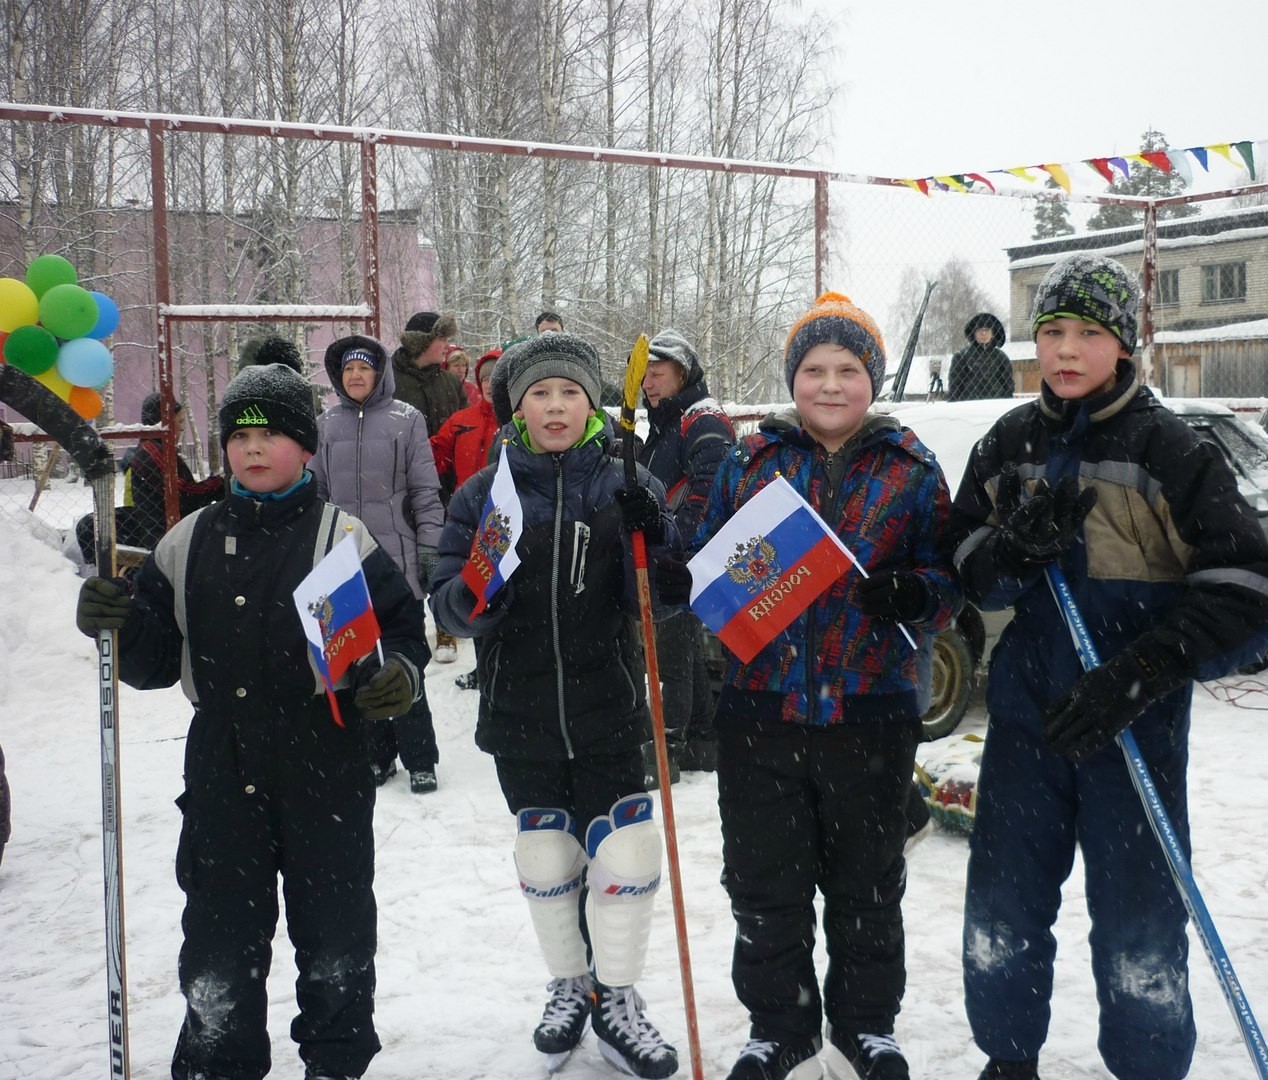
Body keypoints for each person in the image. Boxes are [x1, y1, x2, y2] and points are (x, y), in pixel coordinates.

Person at [952, 254, 1268, 1080]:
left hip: (1132, 717)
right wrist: (1011, 556)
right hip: (1028, 716)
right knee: (1004, 898)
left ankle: (1149, 1065)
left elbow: (1245, 585)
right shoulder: (1011, 440)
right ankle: (1007, 1057)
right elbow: (957, 552)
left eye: (1088, 333)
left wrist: (1146, 670)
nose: (1065, 349)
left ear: (1123, 344)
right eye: (1052, 330)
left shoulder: (1171, 448)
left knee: (1138, 917)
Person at [74, 361, 426, 1080]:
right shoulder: (188, 539)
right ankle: (217, 1061)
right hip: (222, 765)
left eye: (270, 434)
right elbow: (149, 661)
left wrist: (399, 677)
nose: (251, 448)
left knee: (334, 937)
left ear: (304, 446)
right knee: (219, 940)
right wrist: (114, 623)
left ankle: (335, 1061)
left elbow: (398, 630)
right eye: (239, 435)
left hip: (324, 760)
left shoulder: (340, 537)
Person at [688, 292, 960, 1080]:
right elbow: (703, 563)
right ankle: (780, 1025)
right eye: (814, 369)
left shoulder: (911, 466)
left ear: (872, 379)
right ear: (793, 378)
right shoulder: (751, 460)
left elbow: (949, 575)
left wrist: (916, 594)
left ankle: (867, 1024)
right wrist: (675, 558)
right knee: (765, 880)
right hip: (759, 709)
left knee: (867, 884)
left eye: (848, 369)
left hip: (870, 711)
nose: (831, 384)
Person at [429, 333, 681, 1079]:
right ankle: (571, 984)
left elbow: (664, 599)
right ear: (517, 406)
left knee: (628, 852)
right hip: (522, 709)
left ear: (591, 401)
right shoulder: (485, 493)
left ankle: (619, 997)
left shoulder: (625, 481)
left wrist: (656, 536)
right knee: (547, 855)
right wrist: (479, 594)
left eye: (569, 392)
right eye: (540, 393)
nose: (556, 406)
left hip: (610, 702)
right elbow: (446, 601)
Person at [310, 334, 444, 795]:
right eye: (348, 370)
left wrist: (430, 548)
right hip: (342, 564)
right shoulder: (325, 425)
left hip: (397, 560)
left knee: (403, 658)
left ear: (379, 373)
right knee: (358, 660)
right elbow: (317, 494)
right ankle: (377, 754)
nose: (355, 376)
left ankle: (420, 756)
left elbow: (426, 492)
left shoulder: (407, 421)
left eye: (364, 368)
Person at [638, 328, 734, 775]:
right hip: (674, 555)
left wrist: (680, 547)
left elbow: (712, 488)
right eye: (644, 376)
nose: (648, 384)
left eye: (657, 373)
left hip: (685, 558)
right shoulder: (667, 425)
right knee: (684, 649)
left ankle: (667, 751)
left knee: (671, 650)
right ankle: (702, 740)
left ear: (684, 373)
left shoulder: (702, 419)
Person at [391, 310, 466, 663]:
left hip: (445, 488)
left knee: (441, 558)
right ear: (422, 343)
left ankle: (445, 627)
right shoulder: (388, 380)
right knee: (404, 561)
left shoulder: (451, 384)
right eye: (441, 338)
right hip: (400, 489)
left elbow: (464, 432)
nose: (447, 346)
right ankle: (404, 632)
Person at [74, 393, 225, 566]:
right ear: (164, 421)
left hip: (159, 527)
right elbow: (182, 492)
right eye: (180, 421)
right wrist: (218, 483)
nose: (182, 428)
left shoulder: (157, 449)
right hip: (161, 534)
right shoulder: (153, 451)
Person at [945, 313, 1014, 402]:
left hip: (996, 404)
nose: (983, 333)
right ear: (974, 334)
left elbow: (1008, 385)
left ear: (993, 334)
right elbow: (955, 386)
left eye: (987, 330)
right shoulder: (961, 357)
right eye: (979, 330)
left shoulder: (1001, 357)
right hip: (969, 405)